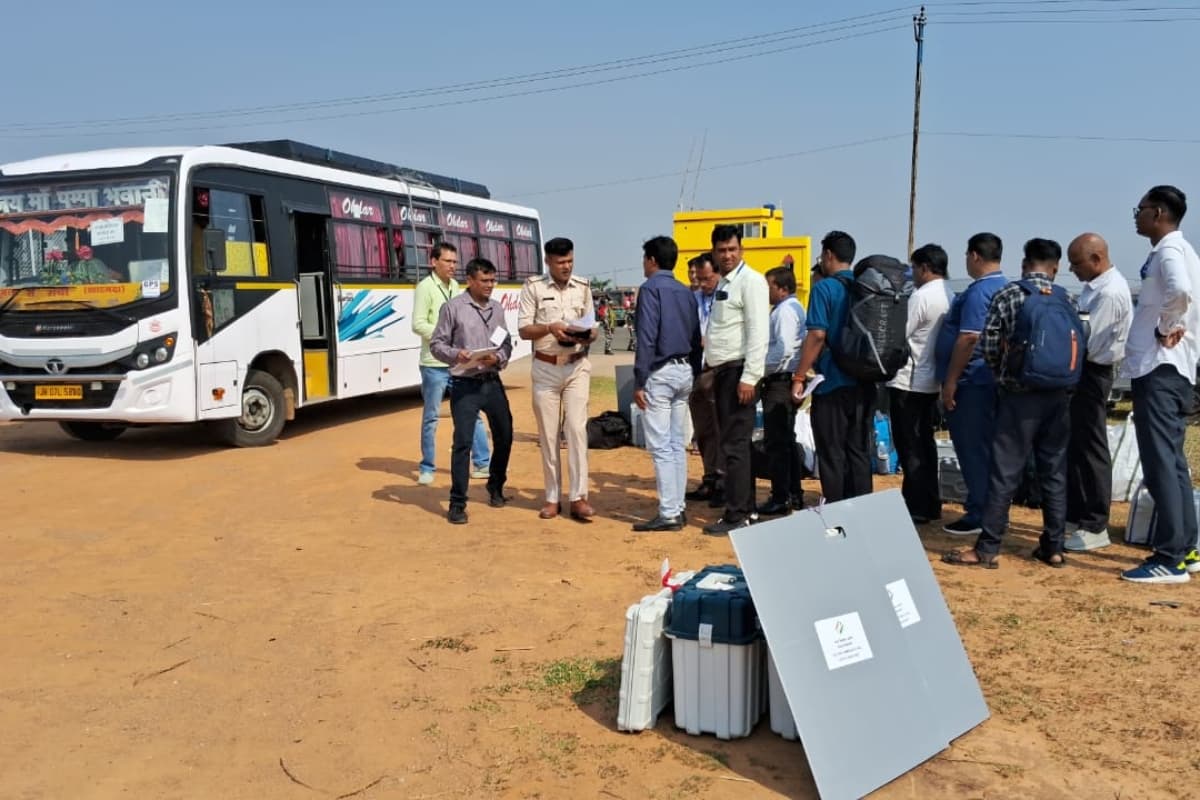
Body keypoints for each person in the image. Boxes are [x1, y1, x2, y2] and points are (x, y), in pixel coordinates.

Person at [943, 238, 1081, 569]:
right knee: (1054, 471)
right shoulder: (1067, 299)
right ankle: (1054, 545)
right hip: (1059, 397)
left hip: (1019, 397)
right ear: (1056, 267)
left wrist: (1003, 377)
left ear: (1024, 264)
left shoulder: (1010, 294)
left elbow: (989, 344)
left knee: (1004, 472)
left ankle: (987, 548)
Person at [1120, 186, 1200, 583]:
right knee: (1173, 462)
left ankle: (1170, 558)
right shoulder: (1183, 251)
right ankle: (1186, 548)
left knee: (1160, 463)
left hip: (1159, 367)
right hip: (1174, 369)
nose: (1137, 216)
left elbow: (1181, 292)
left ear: (1160, 213)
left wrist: (1166, 327)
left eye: (1141, 210)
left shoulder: (1169, 252)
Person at [428, 258, 514, 525]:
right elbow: (436, 344)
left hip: (492, 381)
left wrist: (498, 357)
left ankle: (495, 484)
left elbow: (506, 341)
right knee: (463, 443)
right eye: (485, 281)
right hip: (465, 384)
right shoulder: (453, 309)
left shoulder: (497, 309)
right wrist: (457, 354)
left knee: (505, 434)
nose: (490, 285)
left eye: (493, 280)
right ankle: (457, 503)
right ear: (470, 280)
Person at [791, 231, 874, 503]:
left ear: (828, 255)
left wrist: (800, 376)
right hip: (865, 381)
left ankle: (837, 510)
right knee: (859, 451)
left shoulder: (824, 288)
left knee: (832, 452)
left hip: (833, 383)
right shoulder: (867, 287)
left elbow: (817, 335)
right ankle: (863, 507)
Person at [518, 237, 597, 522]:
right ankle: (552, 497)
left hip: (577, 367)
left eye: (570, 261)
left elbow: (594, 326)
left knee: (576, 430)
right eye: (561, 262)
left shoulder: (584, 286)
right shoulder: (533, 287)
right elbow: (524, 330)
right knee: (548, 434)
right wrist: (551, 328)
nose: (566, 266)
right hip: (545, 369)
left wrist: (587, 333)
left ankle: (579, 497)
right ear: (548, 261)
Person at [1063, 233, 1133, 552]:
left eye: (1076, 263)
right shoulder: (1095, 288)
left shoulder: (1110, 293)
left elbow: (1088, 341)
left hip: (1093, 371)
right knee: (1077, 443)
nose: (1072, 269)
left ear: (1096, 259)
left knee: (1091, 445)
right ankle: (1076, 514)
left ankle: (1094, 523)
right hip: (1083, 369)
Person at [935, 233, 1007, 535]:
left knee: (973, 449)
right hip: (989, 380)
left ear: (975, 256)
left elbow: (968, 337)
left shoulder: (979, 292)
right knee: (987, 450)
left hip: (972, 381)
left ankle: (980, 513)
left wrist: (950, 382)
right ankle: (991, 510)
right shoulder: (1005, 286)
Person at [701, 225, 769, 535]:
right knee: (735, 445)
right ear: (714, 251)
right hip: (724, 372)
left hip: (738, 374)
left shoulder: (751, 282)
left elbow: (758, 332)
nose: (727, 255)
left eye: (732, 249)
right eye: (721, 250)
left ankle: (737, 514)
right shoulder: (725, 282)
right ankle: (747, 509)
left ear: (741, 250)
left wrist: (750, 377)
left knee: (734, 446)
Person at [631, 236, 702, 532]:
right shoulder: (686, 291)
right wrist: (695, 372)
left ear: (652, 260)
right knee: (675, 444)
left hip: (660, 372)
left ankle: (670, 511)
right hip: (684, 369)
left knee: (661, 446)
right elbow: (697, 335)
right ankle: (678, 507)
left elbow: (646, 336)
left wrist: (639, 379)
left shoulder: (650, 289)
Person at [411, 242, 490, 485]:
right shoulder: (425, 287)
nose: (452, 266)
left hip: (459, 363)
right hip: (434, 363)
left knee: (471, 412)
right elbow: (418, 323)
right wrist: (443, 337)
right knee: (432, 417)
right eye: (448, 261)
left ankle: (482, 463)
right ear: (433, 262)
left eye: (455, 262)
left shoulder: (456, 286)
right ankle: (427, 467)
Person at [887, 243, 952, 524]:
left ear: (925, 268)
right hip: (932, 381)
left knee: (909, 445)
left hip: (909, 380)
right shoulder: (950, 294)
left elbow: (899, 335)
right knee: (925, 444)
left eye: (914, 268)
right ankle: (929, 501)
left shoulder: (921, 297)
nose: (912, 273)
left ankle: (915, 504)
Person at [759, 266, 807, 516]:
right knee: (786, 440)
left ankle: (781, 496)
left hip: (780, 380)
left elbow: (783, 349)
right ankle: (792, 492)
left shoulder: (785, 312)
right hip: (785, 378)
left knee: (777, 442)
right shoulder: (791, 309)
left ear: (782, 288)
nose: (767, 292)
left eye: (770, 286)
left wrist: (760, 369)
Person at [684, 253, 725, 506]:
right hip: (696, 371)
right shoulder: (693, 300)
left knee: (721, 429)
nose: (702, 284)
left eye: (707, 279)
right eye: (699, 279)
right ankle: (710, 478)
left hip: (719, 370)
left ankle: (723, 481)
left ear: (718, 274)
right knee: (704, 430)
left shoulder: (726, 299)